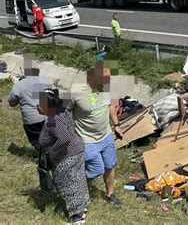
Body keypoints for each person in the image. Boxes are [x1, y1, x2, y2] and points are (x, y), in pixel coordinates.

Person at [67, 61, 124, 208]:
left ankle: (110, 194)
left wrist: (116, 125)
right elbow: (64, 112)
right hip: (86, 139)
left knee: (110, 165)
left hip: (106, 135)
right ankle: (72, 184)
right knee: (96, 169)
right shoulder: (76, 92)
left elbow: (110, 105)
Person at [37, 88, 89, 224]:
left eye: (39, 104)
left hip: (67, 155)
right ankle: (82, 208)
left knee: (67, 184)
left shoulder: (52, 119)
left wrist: (52, 154)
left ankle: (77, 217)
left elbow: (64, 138)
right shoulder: (61, 111)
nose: (37, 106)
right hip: (77, 150)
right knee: (78, 180)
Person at [8, 67, 52, 151]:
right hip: (48, 115)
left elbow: (12, 103)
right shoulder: (44, 80)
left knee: (37, 141)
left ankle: (48, 158)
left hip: (32, 119)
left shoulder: (19, 85)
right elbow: (55, 95)